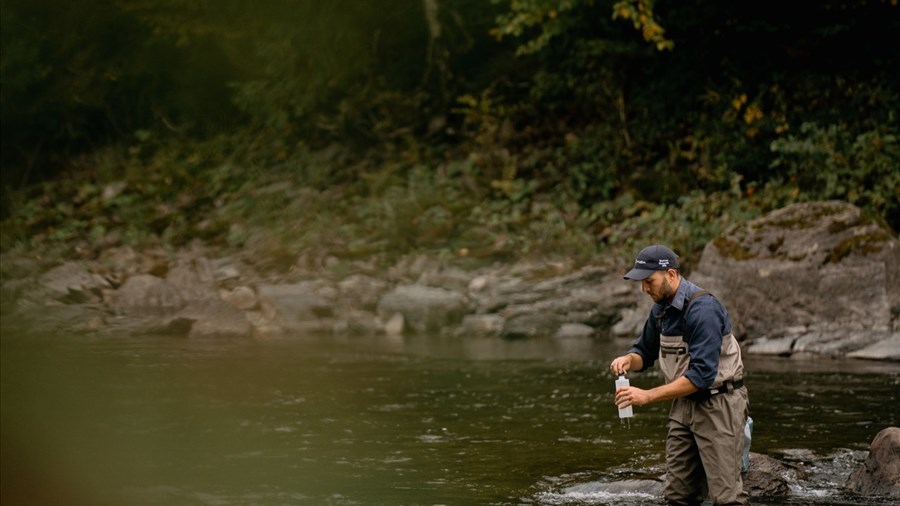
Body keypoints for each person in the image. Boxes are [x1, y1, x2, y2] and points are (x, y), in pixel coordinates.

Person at [610, 244, 749, 506]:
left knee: (727, 498)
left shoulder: (703, 309)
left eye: (649, 281)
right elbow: (644, 352)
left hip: (719, 405)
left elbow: (701, 376)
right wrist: (627, 360)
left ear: (671, 275)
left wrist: (647, 396)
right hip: (683, 406)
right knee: (677, 495)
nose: (644, 289)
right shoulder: (660, 310)